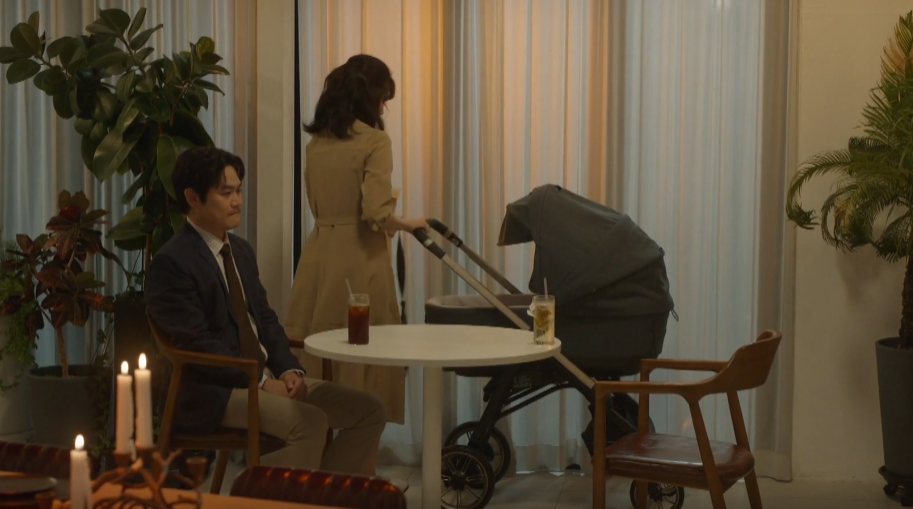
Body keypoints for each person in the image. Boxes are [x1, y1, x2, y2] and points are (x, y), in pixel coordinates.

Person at [145, 146, 386, 475]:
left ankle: (325, 494)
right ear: (192, 197)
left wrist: (289, 370)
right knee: (309, 423)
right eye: (225, 193)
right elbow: (196, 343)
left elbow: (266, 321)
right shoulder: (173, 262)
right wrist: (258, 381)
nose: (237, 201)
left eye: (239, 191)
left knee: (369, 410)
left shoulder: (240, 251)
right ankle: (261, 494)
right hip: (214, 391)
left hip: (263, 378)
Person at [285, 54, 428, 425]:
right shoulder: (375, 142)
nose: (383, 108)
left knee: (319, 349)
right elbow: (376, 212)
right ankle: (360, 451)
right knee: (364, 354)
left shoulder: (316, 143)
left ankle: (320, 445)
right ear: (372, 97)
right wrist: (409, 224)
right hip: (360, 259)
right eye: (383, 99)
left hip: (318, 256)